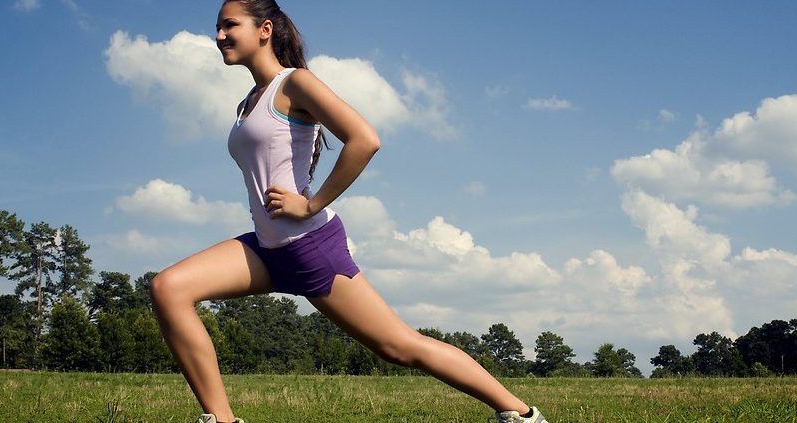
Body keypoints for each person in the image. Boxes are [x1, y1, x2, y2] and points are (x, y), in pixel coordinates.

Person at [149, 1, 550, 422]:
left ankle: (521, 415)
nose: (219, 36)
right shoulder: (249, 101)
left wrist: (312, 203)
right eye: (217, 27)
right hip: (266, 249)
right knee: (169, 289)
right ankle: (222, 420)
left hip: (308, 248)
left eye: (230, 25)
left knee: (399, 346)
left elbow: (364, 138)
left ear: (264, 29)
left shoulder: (295, 84)